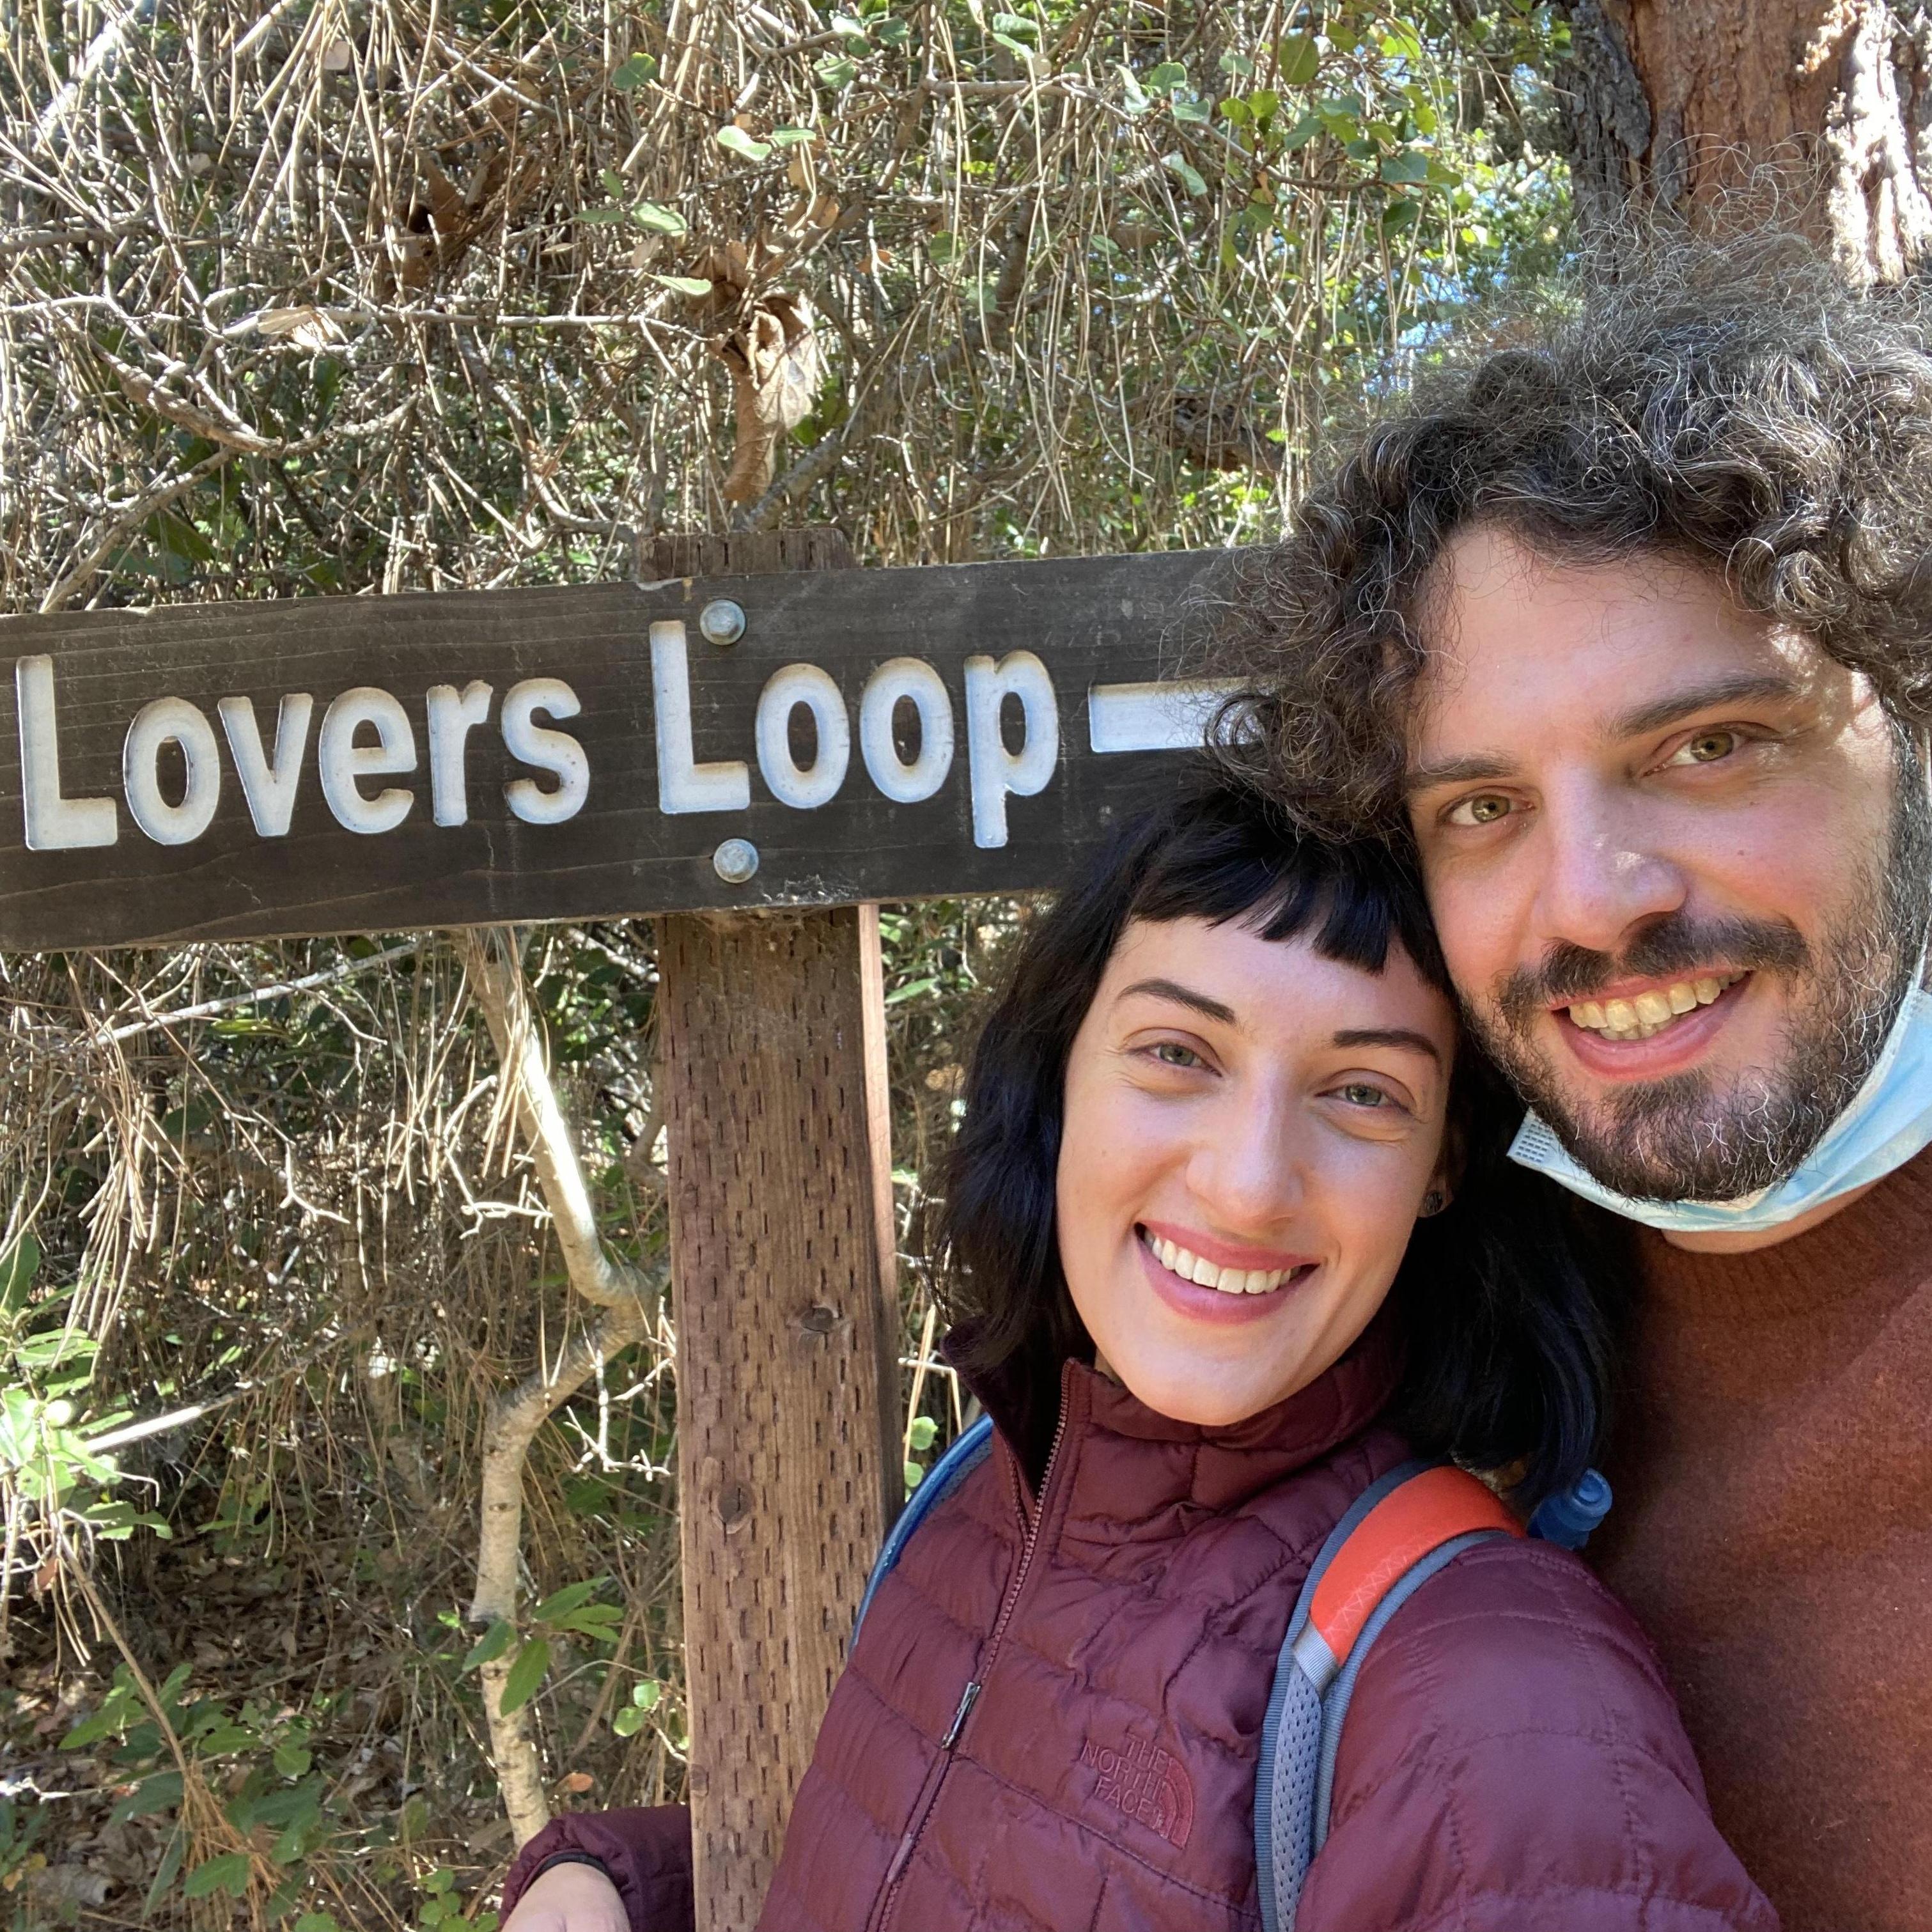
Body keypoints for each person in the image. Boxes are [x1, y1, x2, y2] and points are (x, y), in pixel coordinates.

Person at [499, 774, 1773, 1932]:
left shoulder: (1493, 1696)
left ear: (1440, 1166)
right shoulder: (986, 1485)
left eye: (1361, 1092)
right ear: (1061, 1080)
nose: (1246, 1180)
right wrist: (623, 1878)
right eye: (1177, 1053)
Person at [1222, 231, 1932, 1932]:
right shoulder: (1383, 1316)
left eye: (1703, 746)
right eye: (1480, 806)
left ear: (1903, 724)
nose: (1593, 894)